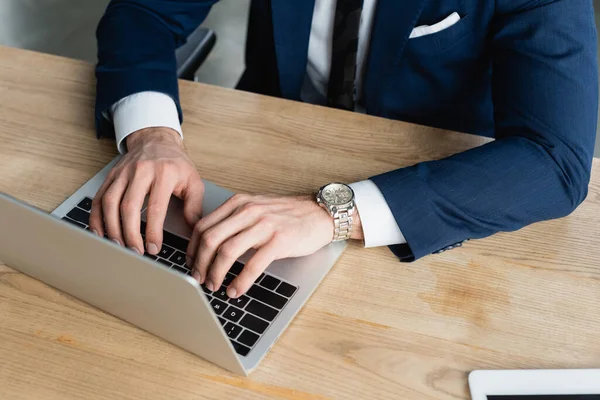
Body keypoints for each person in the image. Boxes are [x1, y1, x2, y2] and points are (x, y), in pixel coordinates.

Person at [91, 0, 598, 299]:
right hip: (267, 143)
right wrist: (153, 134)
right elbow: (145, 11)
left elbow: (555, 160)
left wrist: (331, 212)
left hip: (438, 196)